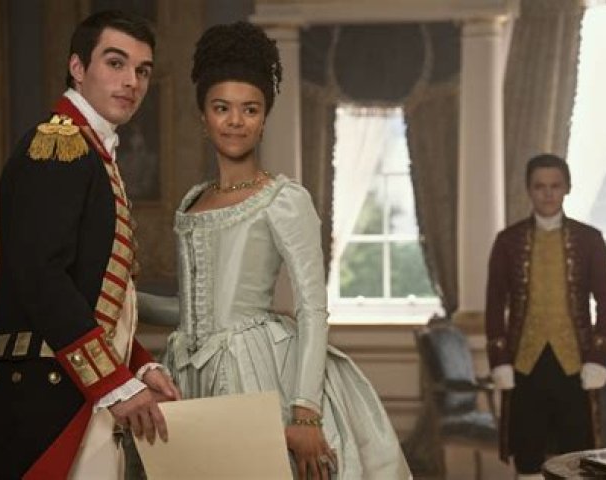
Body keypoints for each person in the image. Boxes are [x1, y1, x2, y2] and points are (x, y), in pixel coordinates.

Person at [138, 21, 411, 480]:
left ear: (264, 119)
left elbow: (312, 308)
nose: (236, 121)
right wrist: (128, 301)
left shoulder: (283, 199)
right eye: (222, 108)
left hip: (256, 373)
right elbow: (193, 311)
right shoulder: (193, 201)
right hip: (187, 373)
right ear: (203, 117)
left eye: (250, 109)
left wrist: (305, 412)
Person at [0, 10, 179, 480]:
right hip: (44, 398)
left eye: (142, 70)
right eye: (116, 63)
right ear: (78, 68)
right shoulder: (58, 145)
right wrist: (114, 381)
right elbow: (41, 278)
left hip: (73, 389)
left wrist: (137, 367)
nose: (132, 82)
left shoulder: (90, 149)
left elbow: (94, 298)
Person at [485, 154, 606, 479]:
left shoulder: (590, 239)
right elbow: (494, 302)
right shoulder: (508, 241)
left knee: (578, 457)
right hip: (524, 365)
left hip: (577, 364)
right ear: (528, 189)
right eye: (539, 186)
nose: (547, 194)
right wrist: (499, 360)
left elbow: (605, 301)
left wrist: (599, 357)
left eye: (555, 186)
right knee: (528, 455)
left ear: (567, 188)